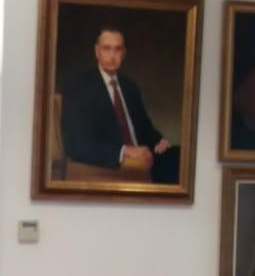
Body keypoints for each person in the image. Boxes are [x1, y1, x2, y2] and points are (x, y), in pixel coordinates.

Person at [59, 28, 179, 183]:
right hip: (112, 165)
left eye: (117, 49)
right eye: (106, 48)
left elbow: (144, 127)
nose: (112, 55)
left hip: (145, 160)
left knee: (180, 157)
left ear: (124, 53)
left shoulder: (129, 87)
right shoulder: (79, 87)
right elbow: (75, 145)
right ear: (97, 52)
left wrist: (158, 141)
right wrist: (124, 151)